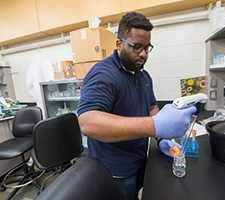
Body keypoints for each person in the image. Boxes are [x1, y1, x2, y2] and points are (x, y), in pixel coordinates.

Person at [77, 12, 196, 200]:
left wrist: (161, 137)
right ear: (119, 44)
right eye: (137, 47)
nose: (143, 54)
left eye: (147, 48)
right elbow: (88, 122)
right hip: (115, 170)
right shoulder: (103, 74)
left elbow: (151, 109)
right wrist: (154, 126)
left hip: (141, 159)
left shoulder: (143, 75)